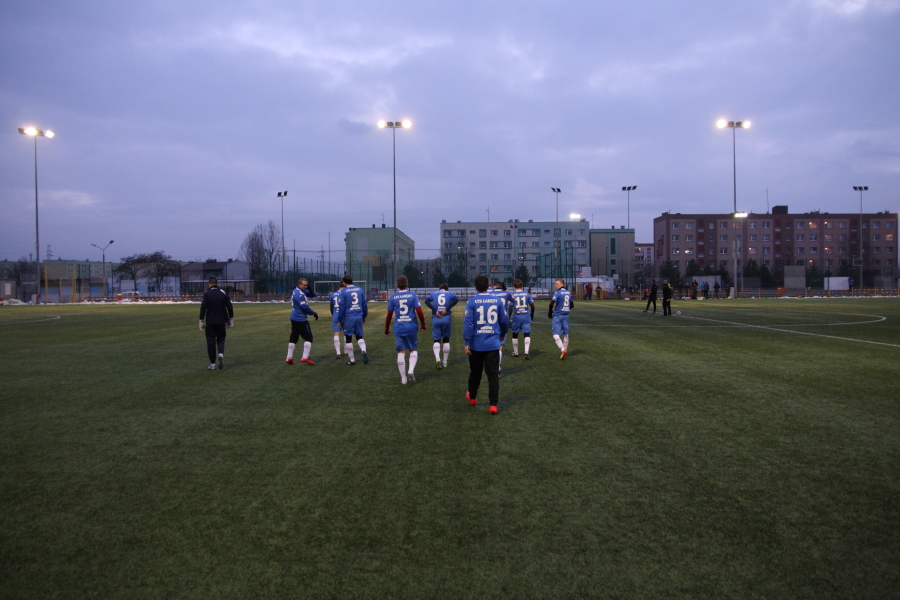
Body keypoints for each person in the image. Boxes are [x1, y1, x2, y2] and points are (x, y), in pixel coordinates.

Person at [463, 275, 510, 415]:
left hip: (476, 344)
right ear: (489, 285)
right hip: (492, 344)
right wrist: (502, 333)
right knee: (493, 375)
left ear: (475, 287)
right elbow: (505, 320)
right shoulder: (497, 300)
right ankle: (493, 405)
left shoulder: (471, 301)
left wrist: (467, 342)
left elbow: (468, 324)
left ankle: (472, 397)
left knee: (475, 373)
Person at [385, 276, 427, 384]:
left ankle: (403, 379)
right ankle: (411, 370)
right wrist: (423, 324)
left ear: (397, 285)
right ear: (407, 284)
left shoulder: (393, 297)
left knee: (401, 351)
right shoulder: (413, 295)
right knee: (413, 349)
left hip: (399, 328)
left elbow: (389, 314)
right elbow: (419, 311)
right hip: (411, 327)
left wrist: (386, 328)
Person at [199, 276, 233, 370]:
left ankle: (212, 364)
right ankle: (221, 353)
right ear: (217, 284)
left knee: (211, 341)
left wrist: (201, 320)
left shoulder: (207, 294)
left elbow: (203, 307)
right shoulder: (223, 293)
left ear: (209, 284)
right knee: (221, 339)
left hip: (210, 321)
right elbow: (229, 306)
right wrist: (230, 318)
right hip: (221, 321)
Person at [424, 283, 459, 369]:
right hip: (446, 318)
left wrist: (435, 310)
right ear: (447, 289)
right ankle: (445, 362)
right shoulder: (449, 293)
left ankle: (437, 358)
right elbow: (456, 299)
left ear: (439, 289)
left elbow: (426, 301)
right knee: (446, 340)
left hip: (436, 318)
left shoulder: (434, 293)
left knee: (436, 340)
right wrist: (446, 309)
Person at [336, 275, 368, 365]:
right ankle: (363, 350)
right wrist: (364, 316)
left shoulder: (343, 292)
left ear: (344, 282)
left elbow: (341, 307)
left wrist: (340, 320)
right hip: (358, 316)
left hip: (348, 317)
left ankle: (352, 360)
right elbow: (364, 304)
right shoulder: (360, 290)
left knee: (348, 338)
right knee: (359, 336)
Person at [285, 278, 318, 365]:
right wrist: (313, 313)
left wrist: (310, 290)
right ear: (299, 284)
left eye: (306, 285)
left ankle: (289, 357)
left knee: (294, 337)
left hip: (294, 317)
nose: (305, 287)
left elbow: (313, 295)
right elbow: (303, 307)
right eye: (304, 285)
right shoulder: (299, 294)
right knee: (308, 338)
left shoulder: (298, 291)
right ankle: (305, 357)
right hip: (300, 319)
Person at [489, 281, 514, 370]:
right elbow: (514, 300)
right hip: (503, 320)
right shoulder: (506, 294)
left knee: (491, 344)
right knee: (500, 345)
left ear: (495, 286)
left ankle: (492, 365)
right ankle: (498, 367)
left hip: (492, 321)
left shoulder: (490, 294)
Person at [548, 278, 573, 359]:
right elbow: (572, 305)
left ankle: (563, 350)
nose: (555, 285)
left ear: (562, 284)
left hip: (558, 315)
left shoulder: (557, 292)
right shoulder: (568, 293)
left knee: (555, 335)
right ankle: (564, 352)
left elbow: (551, 304)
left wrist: (550, 312)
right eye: (555, 284)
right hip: (566, 315)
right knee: (566, 334)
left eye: (557, 284)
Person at [510, 278, 535, 359]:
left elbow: (510, 308)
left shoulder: (512, 295)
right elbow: (532, 306)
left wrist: (508, 318)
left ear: (514, 286)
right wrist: (531, 315)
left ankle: (516, 352)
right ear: (521, 285)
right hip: (526, 317)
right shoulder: (527, 294)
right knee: (526, 334)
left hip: (517, 317)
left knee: (515, 334)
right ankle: (526, 352)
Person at [329, 281, 346, 359]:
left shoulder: (333, 294)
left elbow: (331, 308)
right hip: (345, 316)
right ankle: (346, 351)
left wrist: (334, 315)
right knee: (346, 333)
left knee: (336, 334)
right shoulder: (345, 294)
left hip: (336, 315)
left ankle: (338, 353)